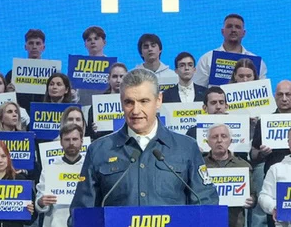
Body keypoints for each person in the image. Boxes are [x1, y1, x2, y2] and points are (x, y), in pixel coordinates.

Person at [77, 68, 212, 207]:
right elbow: (81, 212)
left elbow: (206, 204)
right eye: (129, 102)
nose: (136, 111)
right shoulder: (99, 151)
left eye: (144, 101)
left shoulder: (186, 148)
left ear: (158, 100)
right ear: (121, 102)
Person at [195, 13, 263, 84]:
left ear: (244, 33)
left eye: (237, 27)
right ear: (222, 31)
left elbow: (263, 88)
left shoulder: (257, 63)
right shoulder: (207, 59)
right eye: (229, 26)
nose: (233, 30)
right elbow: (198, 87)